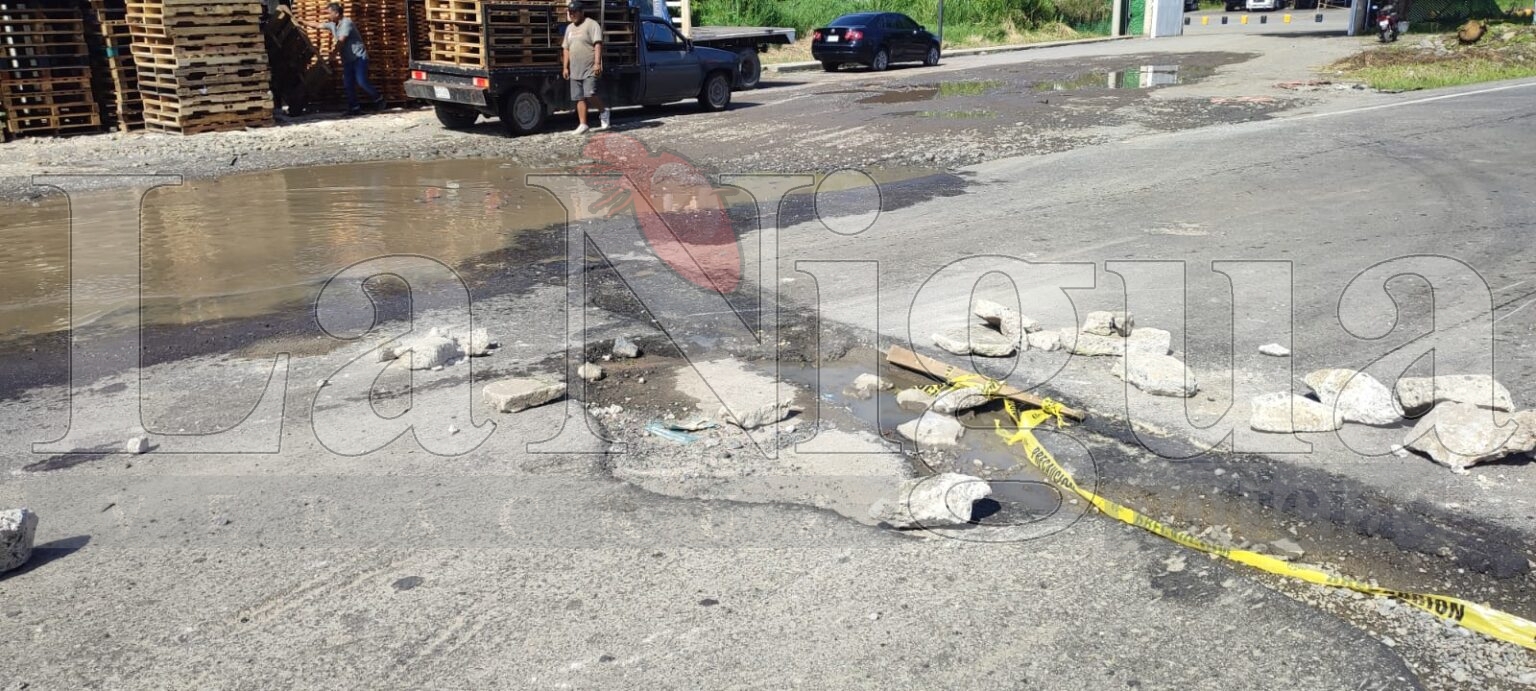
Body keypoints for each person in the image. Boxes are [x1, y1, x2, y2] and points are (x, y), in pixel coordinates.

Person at [301, 3, 383, 115]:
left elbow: (341, 41)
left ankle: (379, 99)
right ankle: (354, 108)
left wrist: (333, 54)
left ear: (337, 13)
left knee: (361, 81)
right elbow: (317, 25)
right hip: (348, 60)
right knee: (348, 84)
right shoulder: (333, 25)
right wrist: (303, 22)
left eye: (329, 13)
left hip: (358, 57)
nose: (328, 16)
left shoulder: (347, 23)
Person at [562, 1, 609, 134]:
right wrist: (565, 67)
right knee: (579, 97)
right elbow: (566, 48)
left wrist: (597, 63)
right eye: (570, 13)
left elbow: (598, 44)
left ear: (581, 12)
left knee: (590, 93)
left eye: (574, 12)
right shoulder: (569, 29)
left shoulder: (591, 24)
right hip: (575, 68)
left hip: (590, 67)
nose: (572, 15)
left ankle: (603, 112)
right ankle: (583, 124)